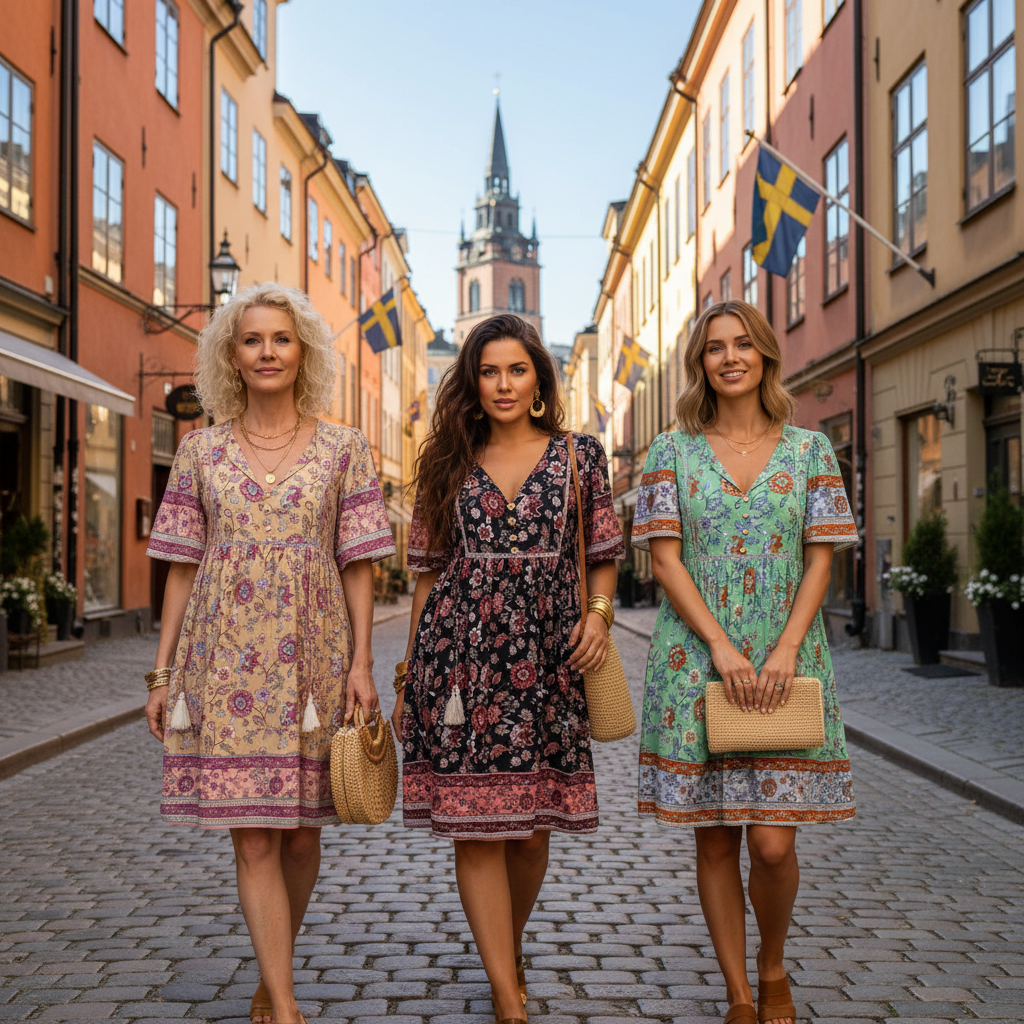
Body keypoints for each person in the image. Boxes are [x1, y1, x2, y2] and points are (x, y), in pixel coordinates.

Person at [144, 283, 395, 1024]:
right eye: (252, 340)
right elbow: (181, 564)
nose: (267, 352)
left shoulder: (345, 447)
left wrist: (360, 664)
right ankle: (284, 1005)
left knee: (299, 834)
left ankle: (269, 973)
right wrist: (163, 673)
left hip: (314, 656)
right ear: (232, 353)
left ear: (302, 351)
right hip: (222, 659)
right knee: (253, 834)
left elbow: (359, 563)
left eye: (280, 339)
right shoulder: (199, 450)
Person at [391, 313, 624, 1024]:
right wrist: (411, 675)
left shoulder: (581, 456)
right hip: (458, 660)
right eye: (489, 371)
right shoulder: (445, 460)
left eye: (516, 369)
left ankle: (508, 947)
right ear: (471, 378)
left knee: (528, 830)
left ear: (539, 376)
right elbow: (428, 574)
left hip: (550, 657)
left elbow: (604, 552)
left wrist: (598, 615)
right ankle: (504, 993)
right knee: (474, 825)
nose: (503, 384)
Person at [631, 300, 857, 1024]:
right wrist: (721, 647)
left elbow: (820, 561)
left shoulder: (811, 450)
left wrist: (786, 645)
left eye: (743, 345)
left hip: (787, 660)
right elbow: (664, 561)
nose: (729, 358)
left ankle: (773, 961)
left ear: (765, 355)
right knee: (717, 834)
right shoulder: (671, 450)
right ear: (700, 363)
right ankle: (737, 991)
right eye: (714, 348)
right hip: (696, 662)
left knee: (771, 841)